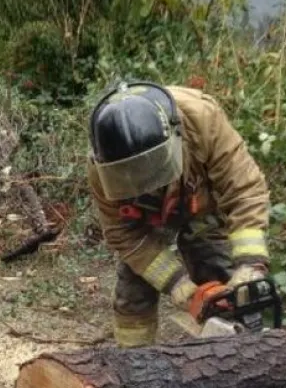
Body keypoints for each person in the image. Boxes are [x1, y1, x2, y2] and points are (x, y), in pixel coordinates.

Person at [86, 79, 272, 348]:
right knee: (133, 293)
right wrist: (176, 285)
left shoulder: (202, 119)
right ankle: (133, 362)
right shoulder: (102, 167)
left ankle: (235, 354)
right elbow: (125, 237)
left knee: (221, 274)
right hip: (144, 217)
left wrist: (250, 265)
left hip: (199, 202)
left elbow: (245, 191)